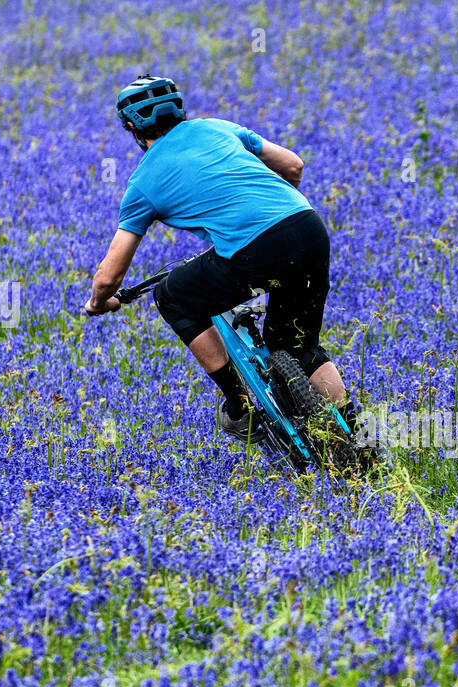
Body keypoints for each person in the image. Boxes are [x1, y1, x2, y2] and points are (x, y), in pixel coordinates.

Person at [85, 73, 352, 445]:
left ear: (130, 126)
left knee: (172, 296)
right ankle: (359, 441)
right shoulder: (218, 128)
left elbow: (109, 276)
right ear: (178, 108)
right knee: (297, 346)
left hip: (254, 251)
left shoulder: (142, 183)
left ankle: (240, 407)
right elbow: (293, 166)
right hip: (307, 228)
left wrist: (100, 302)